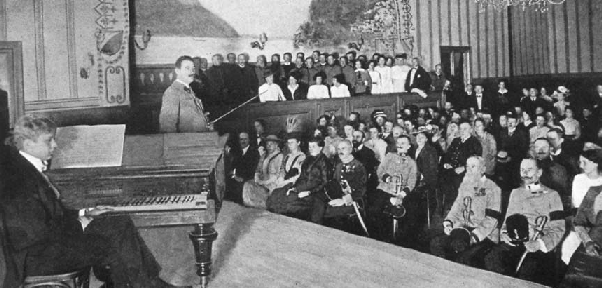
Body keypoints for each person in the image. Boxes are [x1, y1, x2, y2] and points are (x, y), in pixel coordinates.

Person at [0, 115, 190, 288]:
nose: (55, 146)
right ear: (27, 144)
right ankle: (145, 285)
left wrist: (85, 213)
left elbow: (50, 214)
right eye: (49, 140)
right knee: (110, 245)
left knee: (117, 221)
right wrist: (80, 224)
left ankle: (147, 282)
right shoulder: (19, 179)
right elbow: (36, 232)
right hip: (36, 257)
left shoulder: (26, 167)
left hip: (47, 245)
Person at [484, 158, 565, 286]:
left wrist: (539, 244)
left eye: (529, 170)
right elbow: (507, 221)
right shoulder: (516, 193)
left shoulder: (553, 195)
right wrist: (505, 234)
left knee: (528, 270)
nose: (525, 173)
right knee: (492, 259)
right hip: (514, 242)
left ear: (539, 173)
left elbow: (559, 228)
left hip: (537, 244)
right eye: (522, 170)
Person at [431, 156, 501, 268]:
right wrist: (449, 223)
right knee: (437, 243)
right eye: (467, 167)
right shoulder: (465, 185)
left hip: (484, 234)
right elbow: (457, 206)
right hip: (462, 228)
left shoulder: (493, 188)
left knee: (465, 256)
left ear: (483, 169)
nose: (469, 170)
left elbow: (492, 219)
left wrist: (475, 236)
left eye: (473, 167)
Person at [266, 137, 330, 221]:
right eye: (309, 146)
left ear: (320, 148)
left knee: (287, 202)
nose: (311, 149)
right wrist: (294, 188)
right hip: (301, 187)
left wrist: (308, 192)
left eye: (313, 146)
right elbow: (301, 176)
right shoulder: (308, 159)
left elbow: (324, 182)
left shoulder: (324, 162)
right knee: (276, 194)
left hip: (314, 192)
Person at [560, 148, 602, 265]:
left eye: (585, 162)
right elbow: (576, 205)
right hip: (582, 218)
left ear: (596, 163)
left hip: (598, 224)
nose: (581, 166)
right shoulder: (578, 179)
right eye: (580, 162)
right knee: (568, 248)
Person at [371, 135, 417, 241]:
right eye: (399, 143)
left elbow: (411, 182)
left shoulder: (411, 163)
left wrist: (401, 196)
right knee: (375, 210)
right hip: (384, 189)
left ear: (409, 146)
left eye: (403, 143)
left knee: (401, 214)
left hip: (400, 194)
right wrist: (388, 179)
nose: (400, 145)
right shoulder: (389, 156)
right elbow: (380, 171)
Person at [311, 140, 367, 225]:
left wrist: (343, 200)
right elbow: (334, 184)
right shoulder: (339, 166)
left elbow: (361, 190)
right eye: (339, 149)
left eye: (343, 148)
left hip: (353, 201)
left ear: (350, 150)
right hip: (337, 197)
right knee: (317, 200)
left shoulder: (359, 167)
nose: (340, 151)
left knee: (326, 211)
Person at [159, 55, 210, 133]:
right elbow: (167, 126)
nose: (192, 72)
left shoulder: (189, 89)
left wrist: (202, 119)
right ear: (177, 71)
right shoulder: (172, 92)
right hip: (186, 142)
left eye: (193, 69)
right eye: (187, 68)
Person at [242, 135, 284, 208]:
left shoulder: (280, 156)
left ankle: (265, 204)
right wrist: (257, 179)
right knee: (247, 185)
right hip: (262, 181)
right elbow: (258, 169)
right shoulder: (264, 155)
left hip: (272, 184)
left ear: (276, 145)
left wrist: (265, 182)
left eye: (271, 144)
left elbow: (278, 175)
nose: (269, 146)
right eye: (267, 144)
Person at [226, 132, 260, 204]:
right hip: (237, 179)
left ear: (249, 140)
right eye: (241, 139)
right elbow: (231, 167)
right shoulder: (237, 152)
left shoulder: (254, 153)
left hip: (249, 180)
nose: (243, 141)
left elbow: (253, 170)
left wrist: (242, 179)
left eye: (245, 139)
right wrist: (234, 176)